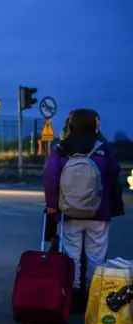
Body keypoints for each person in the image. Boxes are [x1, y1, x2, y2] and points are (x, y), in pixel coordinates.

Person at [43, 108, 119, 311]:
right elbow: (113, 176)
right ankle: (92, 294)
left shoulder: (60, 149)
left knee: (71, 253)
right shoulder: (103, 148)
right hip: (98, 211)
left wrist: (52, 205)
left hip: (69, 211)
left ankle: (72, 293)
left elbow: (50, 177)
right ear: (93, 125)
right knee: (96, 254)